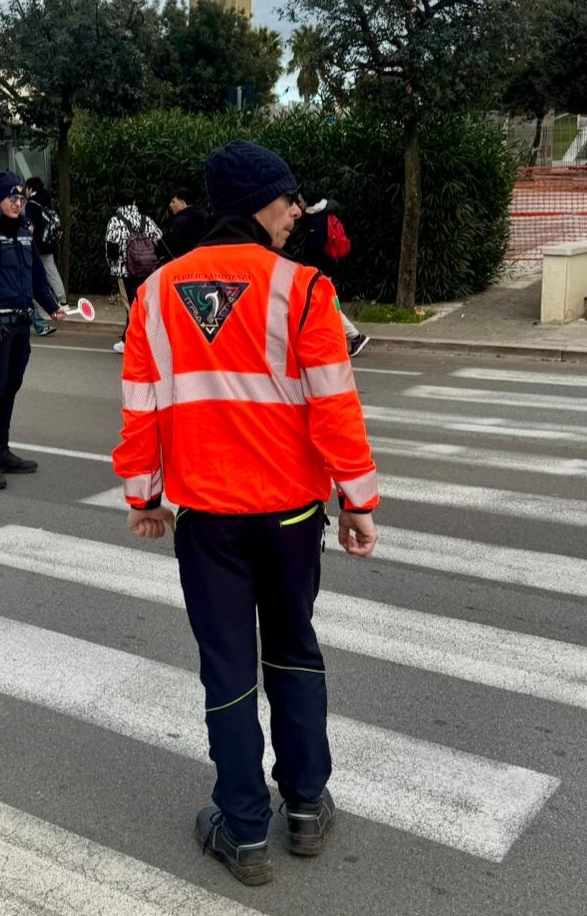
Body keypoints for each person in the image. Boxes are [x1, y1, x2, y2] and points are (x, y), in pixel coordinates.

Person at [113, 140, 379, 886]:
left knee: (227, 668)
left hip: (208, 520)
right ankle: (304, 806)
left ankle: (242, 828)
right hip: (292, 517)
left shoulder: (158, 292)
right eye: (290, 198)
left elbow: (141, 407)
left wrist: (143, 496)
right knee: (293, 650)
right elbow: (335, 410)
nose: (298, 212)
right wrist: (356, 502)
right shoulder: (304, 290)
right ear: (258, 203)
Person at [0, 172, 65, 490]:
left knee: (10, 389)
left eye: (21, 199)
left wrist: (51, 306)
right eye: (11, 198)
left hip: (20, 326)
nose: (18, 204)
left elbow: (36, 277)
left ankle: (1, 451)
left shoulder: (23, 233)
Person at [297, 195, 369, 357]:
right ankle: (340, 338)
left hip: (320, 270)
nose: (298, 204)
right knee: (327, 304)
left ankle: (355, 336)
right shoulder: (323, 214)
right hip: (326, 268)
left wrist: (304, 262)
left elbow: (316, 247)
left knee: (327, 305)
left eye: (300, 200)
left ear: (308, 201)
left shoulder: (315, 220)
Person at [105, 194, 163, 354]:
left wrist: (114, 268)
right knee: (143, 304)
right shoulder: (146, 220)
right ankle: (134, 338)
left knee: (131, 306)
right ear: (135, 202)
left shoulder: (115, 221)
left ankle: (130, 341)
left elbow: (111, 249)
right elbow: (159, 238)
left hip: (125, 272)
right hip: (147, 270)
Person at [24, 176, 67, 336]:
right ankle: (62, 300)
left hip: (35, 245)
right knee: (50, 270)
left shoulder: (31, 204)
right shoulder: (46, 199)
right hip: (48, 242)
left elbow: (30, 227)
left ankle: (39, 322)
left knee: (32, 281)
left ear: (29, 188)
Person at [164, 191, 206, 260]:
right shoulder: (202, 216)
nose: (170, 205)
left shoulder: (179, 222)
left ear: (183, 203)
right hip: (203, 258)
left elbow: (175, 247)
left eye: (173, 202)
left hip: (186, 261)